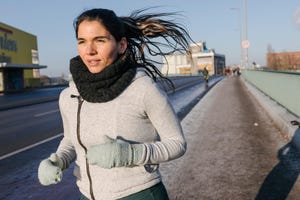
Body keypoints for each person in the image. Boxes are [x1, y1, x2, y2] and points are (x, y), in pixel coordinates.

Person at [38, 8, 193, 200]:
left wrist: (130, 154)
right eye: (82, 41)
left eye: (100, 40)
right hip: (86, 195)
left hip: (138, 194)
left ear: (121, 45)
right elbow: (71, 140)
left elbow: (177, 144)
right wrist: (58, 160)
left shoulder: (143, 89)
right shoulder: (69, 96)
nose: (90, 51)